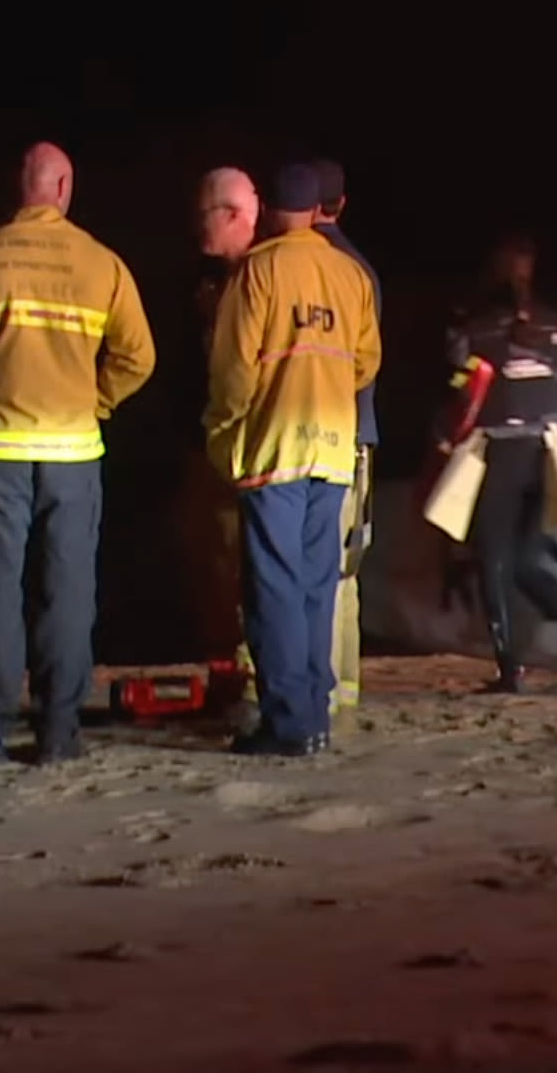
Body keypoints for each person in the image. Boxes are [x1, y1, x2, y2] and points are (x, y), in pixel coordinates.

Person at [0, 143, 157, 766]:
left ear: (16, 187)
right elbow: (140, 357)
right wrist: (96, 402)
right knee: (68, 590)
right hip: (74, 451)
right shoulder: (101, 263)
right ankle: (57, 731)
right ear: (64, 187)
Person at [205, 163, 380, 757]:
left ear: (269, 210)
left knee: (272, 589)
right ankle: (315, 714)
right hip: (333, 450)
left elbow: (233, 371)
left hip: (275, 448)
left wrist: (221, 428)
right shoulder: (349, 274)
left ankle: (286, 723)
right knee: (315, 587)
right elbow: (366, 361)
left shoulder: (258, 270)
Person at [441, 235, 557, 693]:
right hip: (551, 453)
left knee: (494, 560)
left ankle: (510, 669)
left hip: (498, 452)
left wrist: (440, 440)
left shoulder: (473, 331)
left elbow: (458, 394)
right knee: (529, 558)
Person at [186, 167, 261, 707]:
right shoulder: (214, 283)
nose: (197, 228)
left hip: (254, 446)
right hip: (220, 446)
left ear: (234, 215)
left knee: (249, 566)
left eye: (204, 215)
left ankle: (253, 678)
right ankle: (232, 673)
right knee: (216, 566)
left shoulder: (265, 277)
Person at [310, 158, 379, 716]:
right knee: (347, 568)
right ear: (343, 203)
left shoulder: (315, 268)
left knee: (321, 566)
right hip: (362, 434)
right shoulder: (363, 271)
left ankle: (325, 690)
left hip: (326, 435)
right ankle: (348, 685)